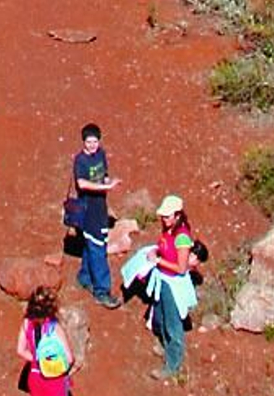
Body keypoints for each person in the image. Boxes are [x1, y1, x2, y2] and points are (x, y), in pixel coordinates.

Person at [124, 195, 200, 377]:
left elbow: (181, 268)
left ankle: (172, 364)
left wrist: (158, 261)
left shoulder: (182, 237)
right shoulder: (169, 230)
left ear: (177, 215)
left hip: (173, 285)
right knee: (160, 317)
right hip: (163, 280)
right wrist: (156, 252)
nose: (163, 219)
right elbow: (164, 248)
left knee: (173, 324)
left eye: (167, 216)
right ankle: (165, 346)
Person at [70, 122, 120, 306]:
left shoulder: (101, 154)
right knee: (98, 248)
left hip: (100, 208)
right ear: (83, 142)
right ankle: (102, 290)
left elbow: (104, 174)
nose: (92, 145)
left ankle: (84, 276)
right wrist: (105, 187)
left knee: (91, 243)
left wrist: (109, 182)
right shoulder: (80, 161)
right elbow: (82, 184)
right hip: (88, 211)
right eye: (88, 142)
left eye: (95, 141)